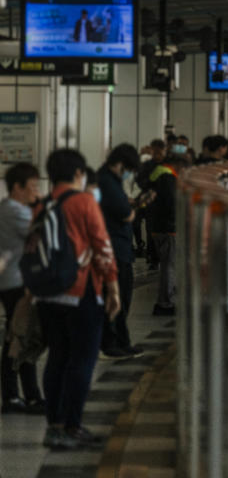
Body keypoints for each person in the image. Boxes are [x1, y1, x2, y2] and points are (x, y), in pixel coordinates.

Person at [34, 149, 121, 450]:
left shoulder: (43, 205)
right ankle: (72, 425)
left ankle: (54, 427)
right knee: (82, 359)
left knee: (57, 357)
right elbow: (102, 244)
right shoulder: (84, 201)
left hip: (47, 295)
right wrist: (113, 286)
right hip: (81, 290)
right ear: (78, 174)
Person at [0, 163, 44, 415]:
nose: (36, 191)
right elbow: (43, 227)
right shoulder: (15, 211)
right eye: (33, 186)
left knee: (19, 338)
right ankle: (19, 396)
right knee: (18, 339)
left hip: (15, 280)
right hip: (16, 283)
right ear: (17, 187)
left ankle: (24, 395)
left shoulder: (10, 208)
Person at [97, 144, 144, 360]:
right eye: (130, 169)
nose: (130, 174)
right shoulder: (106, 181)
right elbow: (125, 213)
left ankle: (122, 341)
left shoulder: (110, 180)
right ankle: (110, 342)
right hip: (114, 247)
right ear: (122, 163)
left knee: (123, 297)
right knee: (116, 297)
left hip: (119, 245)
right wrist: (130, 211)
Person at [147, 155, 188, 316]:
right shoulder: (167, 178)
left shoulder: (158, 175)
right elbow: (172, 204)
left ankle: (166, 301)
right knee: (169, 267)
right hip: (168, 228)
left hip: (160, 227)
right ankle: (165, 303)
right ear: (178, 165)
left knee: (168, 265)